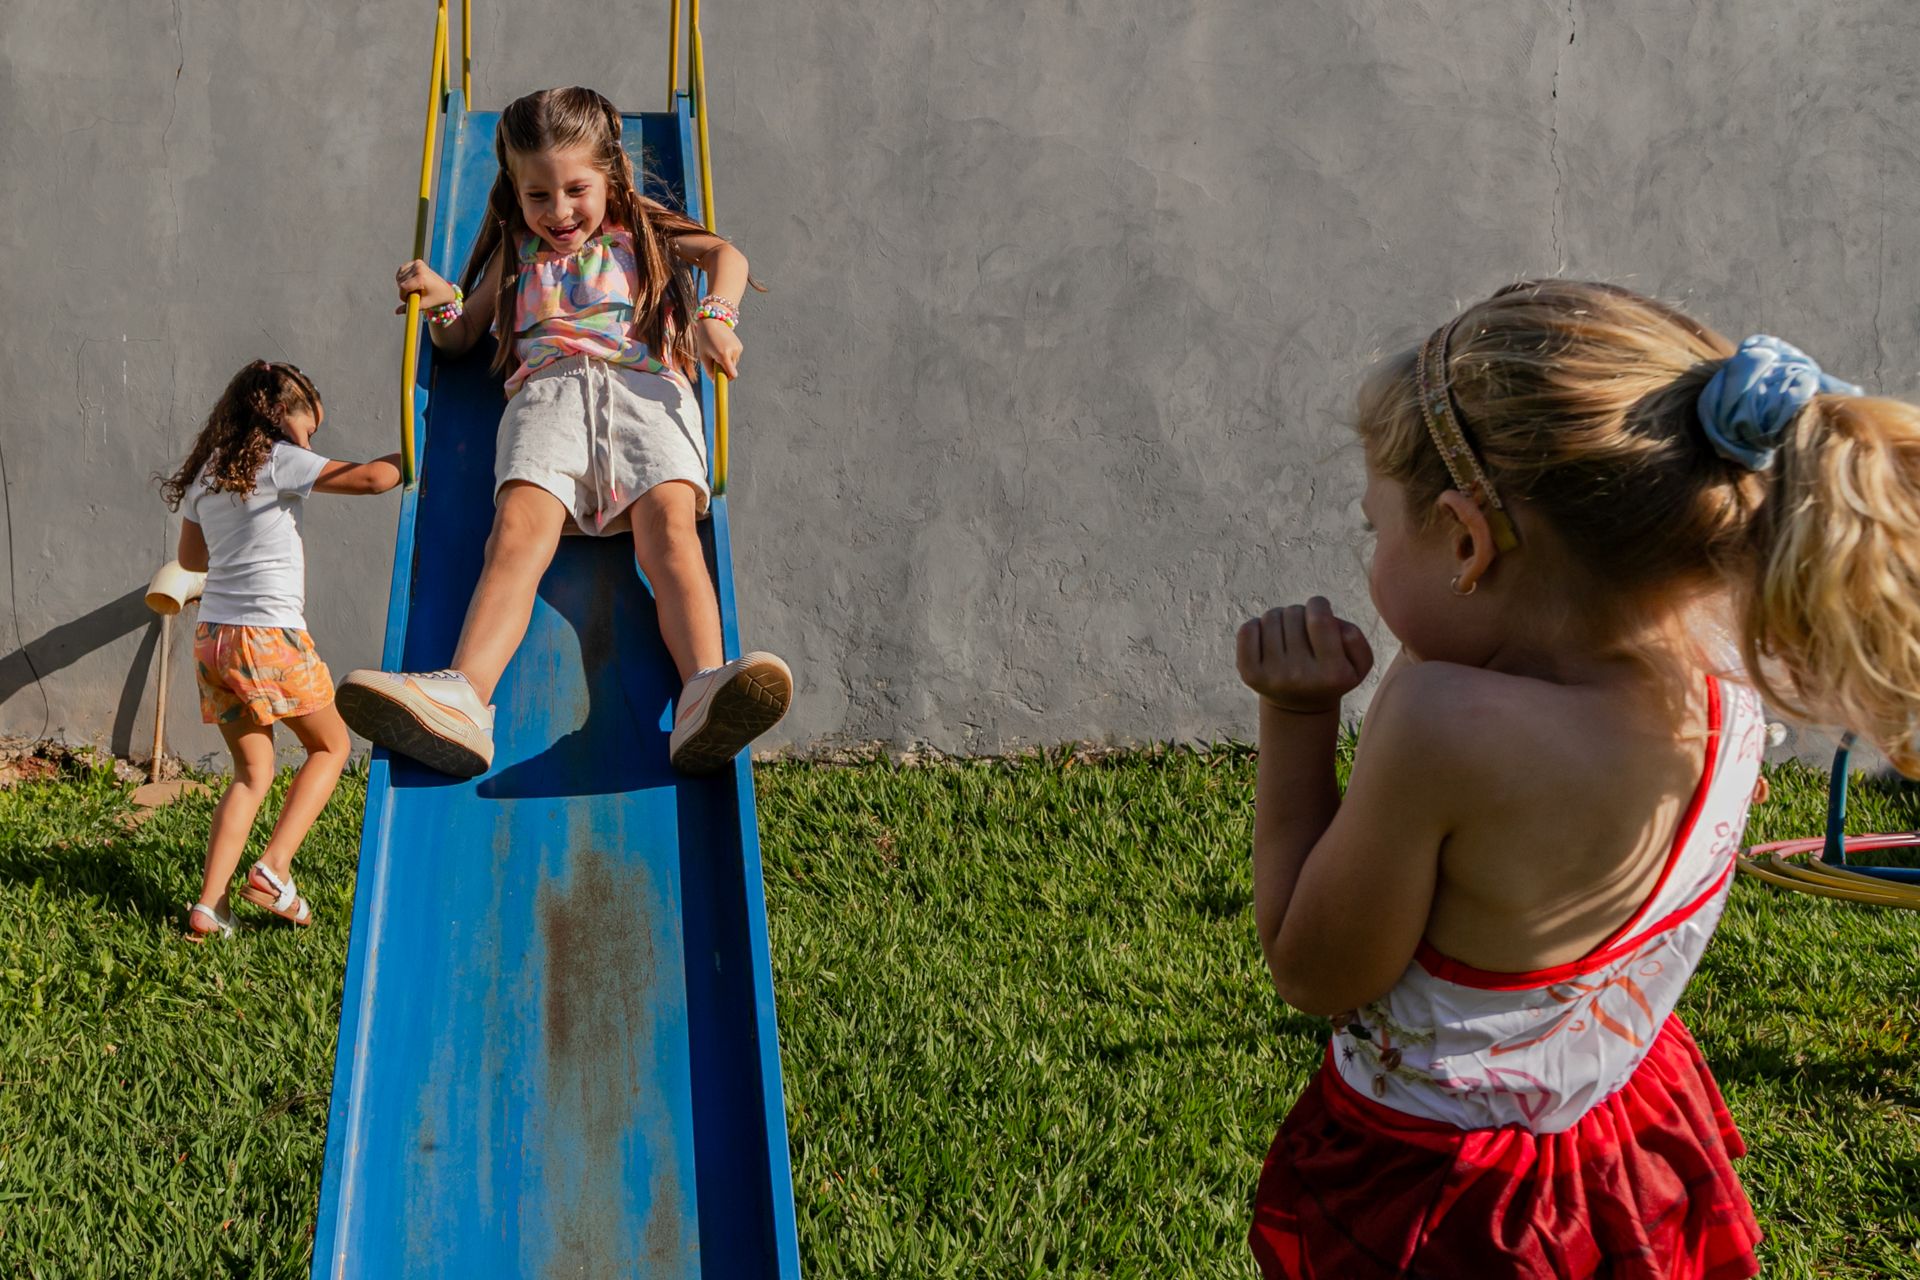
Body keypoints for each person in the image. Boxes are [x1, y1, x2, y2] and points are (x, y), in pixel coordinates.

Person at [1235, 280, 1920, 1278]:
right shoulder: (1729, 680)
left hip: (1454, 1194)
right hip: (1621, 1137)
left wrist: (1297, 715)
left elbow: (1315, 969)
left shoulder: (1445, 728)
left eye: (1374, 526)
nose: (1371, 551)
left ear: (1467, 542)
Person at [336, 86, 792, 778]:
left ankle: (702, 690)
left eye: (576, 189)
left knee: (669, 530)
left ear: (609, 174)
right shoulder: (516, 254)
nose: (559, 211)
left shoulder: (641, 231)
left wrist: (716, 317)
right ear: (514, 194)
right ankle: (465, 698)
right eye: (537, 195)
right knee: (516, 533)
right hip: (545, 399)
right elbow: (462, 335)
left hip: (645, 392)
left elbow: (727, 257)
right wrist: (438, 300)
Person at [161, 360, 402, 940]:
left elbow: (193, 562)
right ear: (278, 414)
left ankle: (210, 907)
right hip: (267, 637)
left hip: (213, 640)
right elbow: (371, 479)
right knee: (332, 744)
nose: (309, 440)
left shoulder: (208, 474)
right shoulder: (278, 459)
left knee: (252, 773)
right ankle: (274, 867)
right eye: (307, 426)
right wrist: (414, 451)